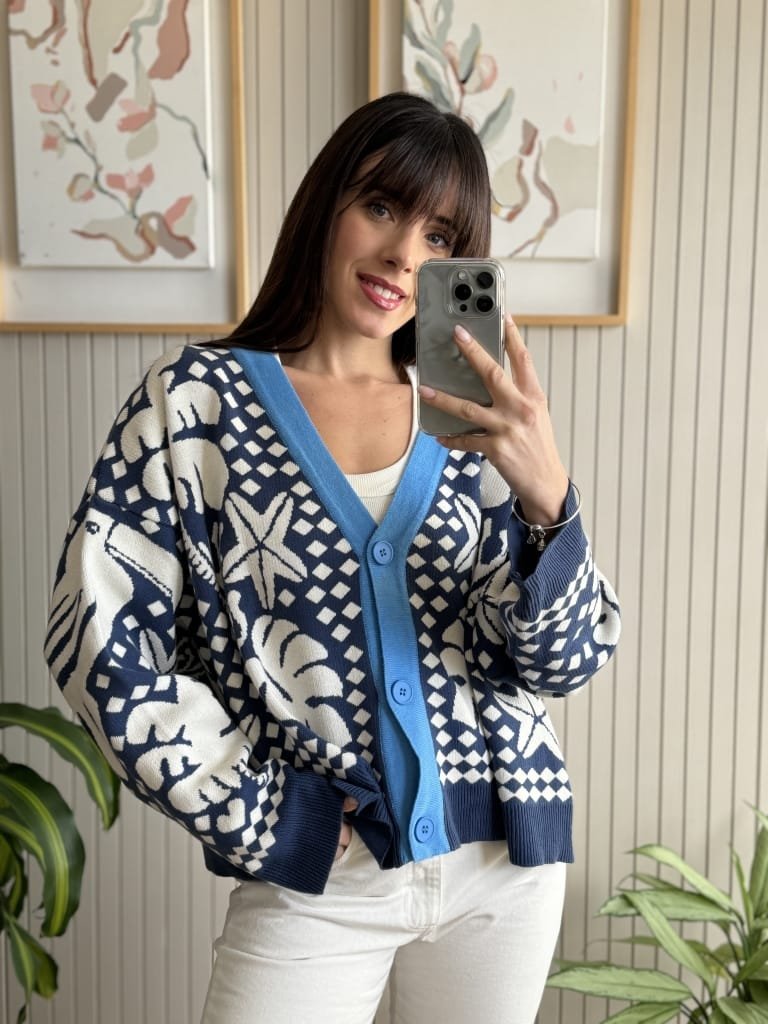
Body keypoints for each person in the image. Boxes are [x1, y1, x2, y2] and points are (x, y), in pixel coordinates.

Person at [45, 92, 621, 1024]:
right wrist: (271, 812)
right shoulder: (194, 406)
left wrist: (546, 497)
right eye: (383, 207)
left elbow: (564, 661)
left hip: (502, 867)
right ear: (328, 204)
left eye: (440, 236)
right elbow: (98, 645)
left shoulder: (469, 421)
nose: (403, 255)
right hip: (320, 878)